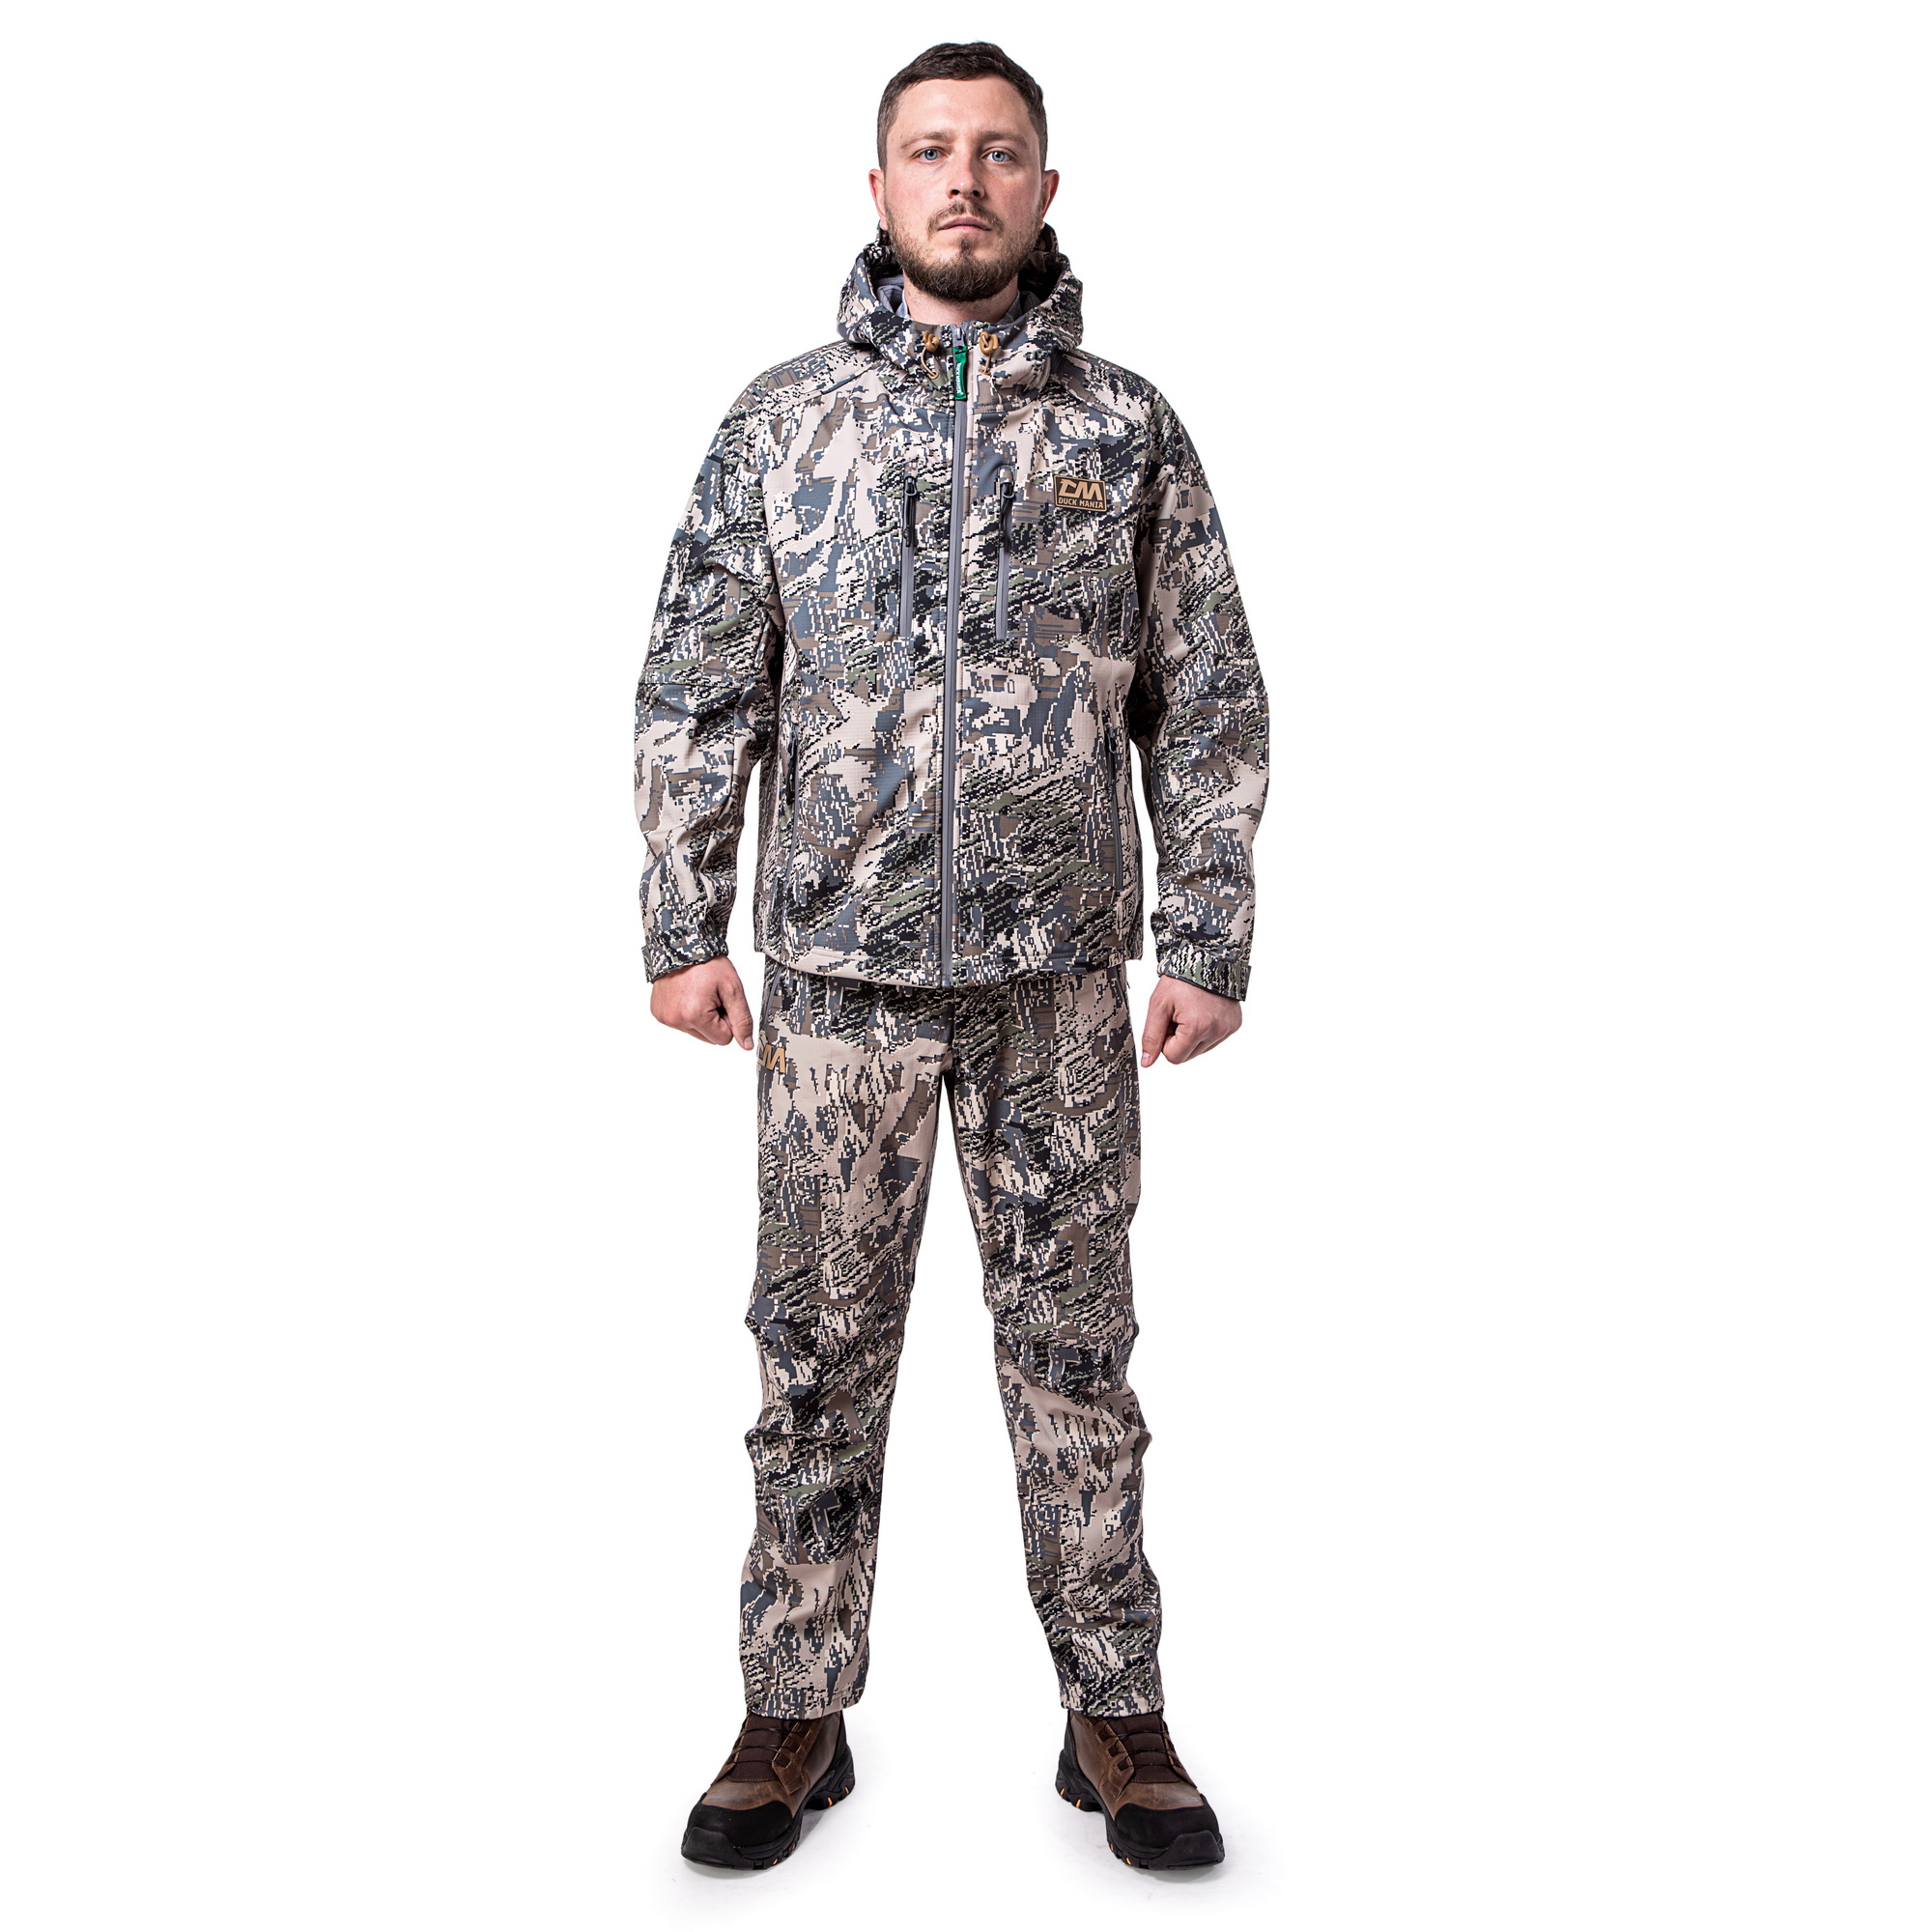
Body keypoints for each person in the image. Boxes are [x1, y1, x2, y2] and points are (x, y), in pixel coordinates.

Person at [636, 40, 1268, 1872]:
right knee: (814, 1358)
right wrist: (682, 921)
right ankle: (794, 1706)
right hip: (831, 983)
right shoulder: (782, 424)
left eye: (998, 153)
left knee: (1078, 1358)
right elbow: (697, 685)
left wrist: (1205, 933)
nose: (964, 182)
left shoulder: (1127, 431)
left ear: (1046, 189)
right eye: (930, 152)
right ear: (880, 187)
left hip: (1057, 985)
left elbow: (1208, 697)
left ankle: (1114, 1710)